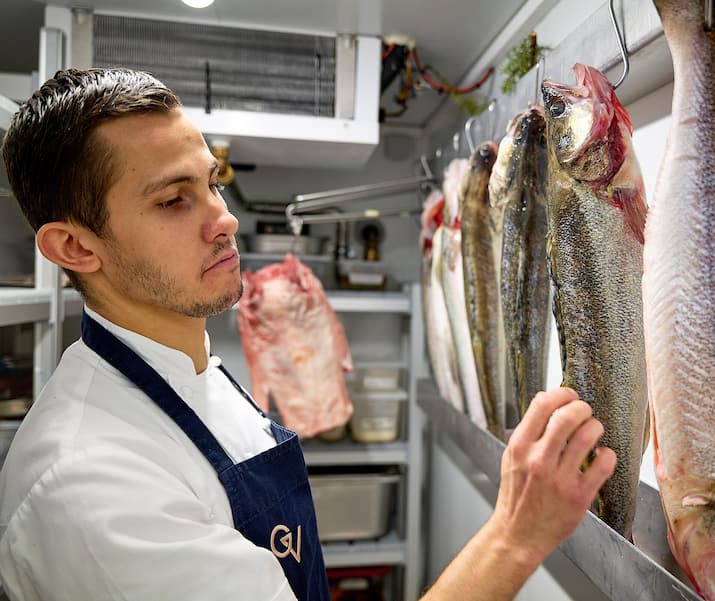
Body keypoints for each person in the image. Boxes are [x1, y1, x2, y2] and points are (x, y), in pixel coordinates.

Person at [0, 68, 617, 601]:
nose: (226, 219)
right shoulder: (90, 488)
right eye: (172, 201)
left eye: (211, 183)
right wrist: (516, 533)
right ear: (75, 246)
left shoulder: (185, 367)